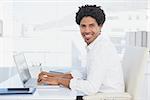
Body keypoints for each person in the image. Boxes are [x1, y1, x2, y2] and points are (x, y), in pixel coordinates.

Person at [38, 5, 124, 95]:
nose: (87, 31)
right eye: (83, 26)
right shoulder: (96, 45)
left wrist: (58, 80)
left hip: (105, 97)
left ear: (100, 26)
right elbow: (85, 74)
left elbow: (91, 88)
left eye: (91, 26)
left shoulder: (102, 49)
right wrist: (54, 76)